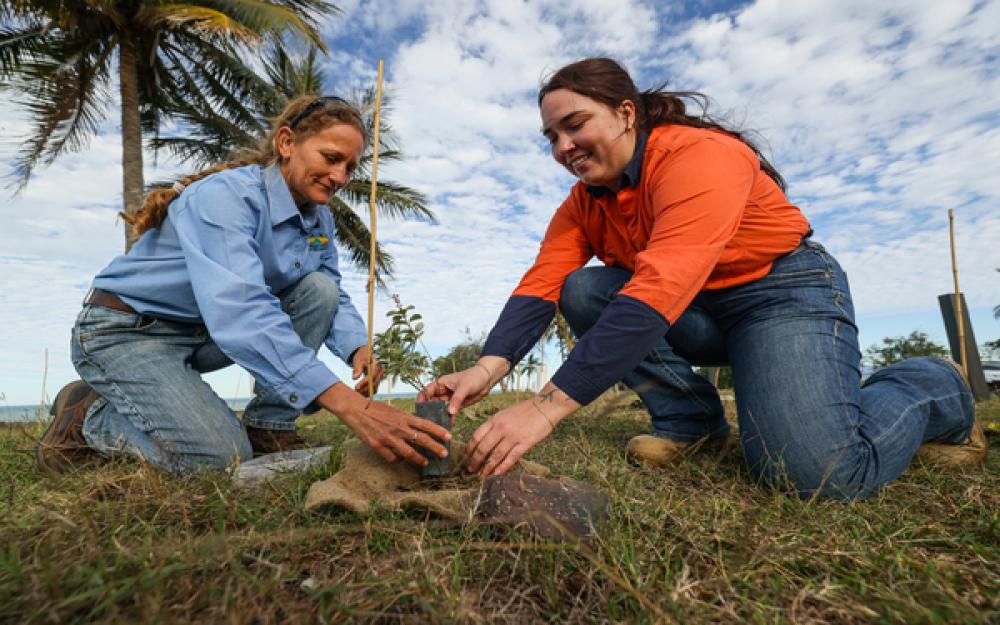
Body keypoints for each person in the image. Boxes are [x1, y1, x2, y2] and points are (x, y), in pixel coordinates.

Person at [421, 58, 986, 501]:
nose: (562, 147)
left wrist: (544, 408)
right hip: (697, 311)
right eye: (550, 136)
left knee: (818, 474)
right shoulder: (582, 203)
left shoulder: (700, 156)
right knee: (584, 289)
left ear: (625, 113)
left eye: (574, 125)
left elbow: (659, 287)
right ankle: (691, 422)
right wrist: (486, 369)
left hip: (781, 295)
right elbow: (542, 284)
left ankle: (932, 385)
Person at [38, 95, 450, 476]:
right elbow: (242, 311)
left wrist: (358, 346)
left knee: (318, 289)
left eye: (350, 167)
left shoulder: (319, 220)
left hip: (200, 332)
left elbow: (331, 292)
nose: (340, 176)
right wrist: (351, 406)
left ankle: (269, 427)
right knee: (220, 459)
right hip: (126, 332)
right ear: (287, 143)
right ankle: (85, 417)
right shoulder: (225, 198)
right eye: (331, 157)